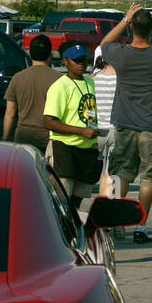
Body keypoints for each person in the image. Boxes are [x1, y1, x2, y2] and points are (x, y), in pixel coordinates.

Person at [99, 3, 152, 242]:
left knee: (122, 173)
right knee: (149, 177)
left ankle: (117, 220)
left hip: (124, 123)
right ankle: (140, 226)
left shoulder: (120, 54)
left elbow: (104, 43)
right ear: (151, 31)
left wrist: (125, 20)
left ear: (132, 29)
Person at [42, 44, 103, 209]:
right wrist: (81, 131)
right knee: (62, 200)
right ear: (65, 61)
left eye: (83, 59)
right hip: (65, 148)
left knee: (77, 201)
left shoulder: (90, 82)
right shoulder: (59, 87)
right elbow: (49, 122)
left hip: (87, 149)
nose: (81, 63)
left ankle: (73, 232)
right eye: (76, 60)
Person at [2, 34, 60, 151]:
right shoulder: (59, 80)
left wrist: (5, 138)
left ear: (29, 53)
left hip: (23, 137)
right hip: (49, 139)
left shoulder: (17, 78)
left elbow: (10, 113)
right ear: (51, 54)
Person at [92, 47, 119, 198]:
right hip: (116, 130)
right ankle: (109, 205)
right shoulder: (121, 79)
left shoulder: (93, 79)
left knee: (102, 172)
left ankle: (102, 204)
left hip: (97, 131)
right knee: (113, 174)